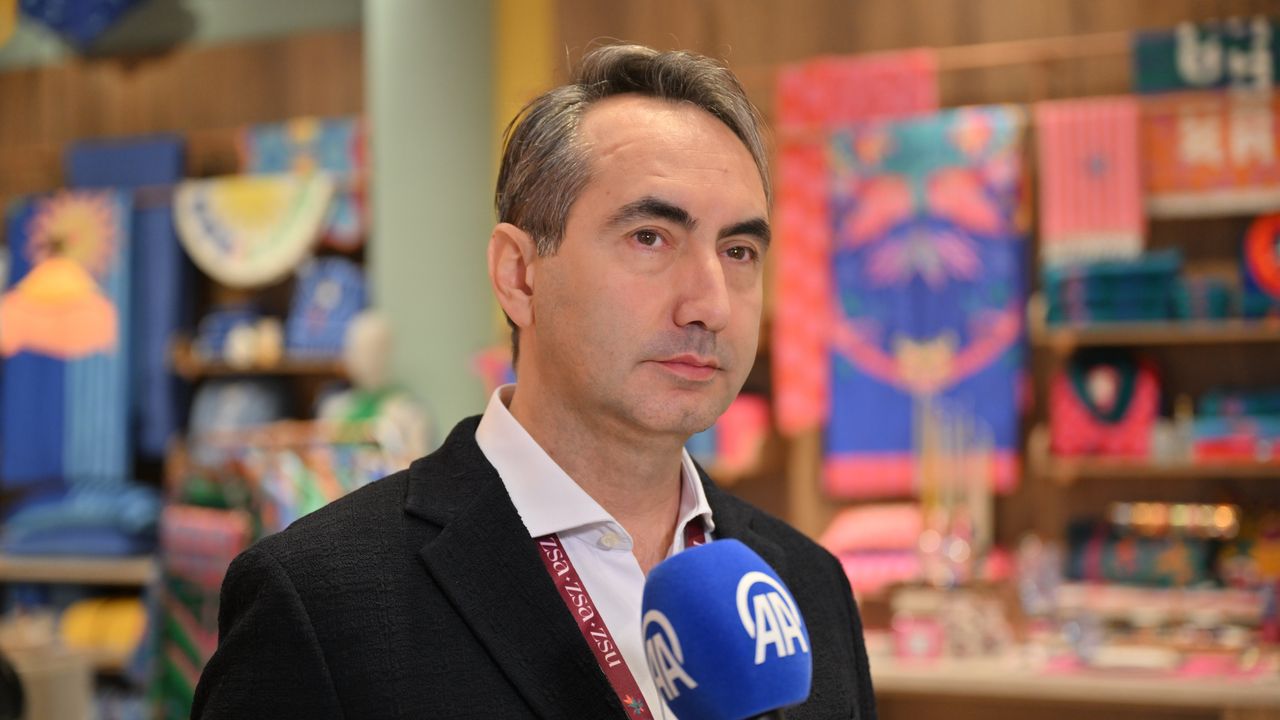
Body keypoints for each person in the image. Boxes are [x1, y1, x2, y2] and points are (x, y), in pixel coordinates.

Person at [191, 44, 876, 720]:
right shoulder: (321, 601)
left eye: (739, 251)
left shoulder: (808, 586)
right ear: (519, 275)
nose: (711, 304)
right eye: (650, 237)